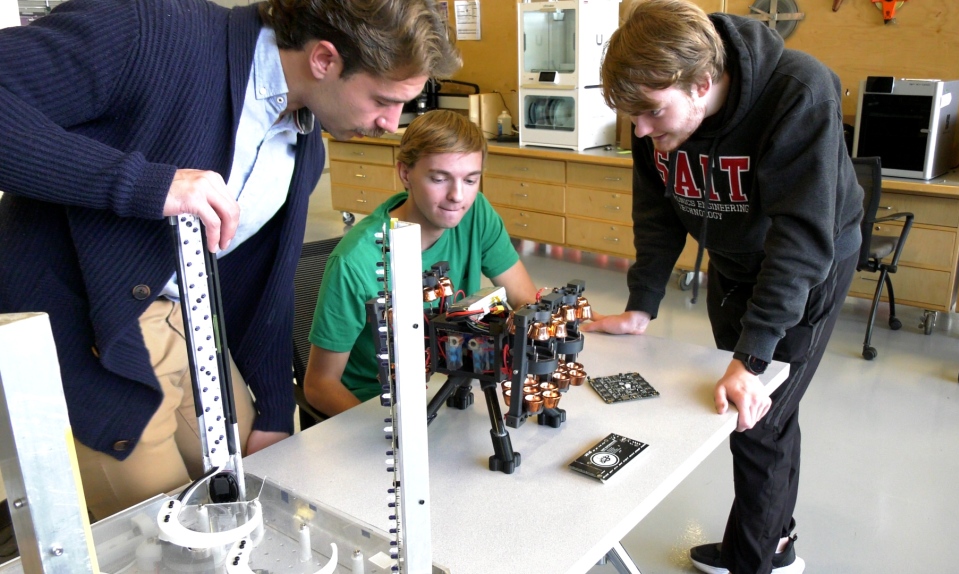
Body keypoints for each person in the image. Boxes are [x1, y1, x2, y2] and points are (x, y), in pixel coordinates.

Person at [0, 0, 459, 519]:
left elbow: (263, 280)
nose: (390, 122)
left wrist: (272, 402)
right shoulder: (148, 31)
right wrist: (149, 185)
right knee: (166, 528)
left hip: (190, 320)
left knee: (262, 492)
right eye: (382, 99)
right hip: (84, 325)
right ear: (325, 60)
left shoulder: (304, 138)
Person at [586, 1, 863, 573]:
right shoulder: (654, 110)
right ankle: (775, 535)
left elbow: (801, 241)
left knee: (754, 418)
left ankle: (756, 559)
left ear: (702, 83)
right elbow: (658, 211)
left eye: (652, 113)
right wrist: (642, 305)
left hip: (808, 265)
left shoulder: (797, 93)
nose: (640, 130)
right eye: (629, 114)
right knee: (764, 413)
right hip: (731, 259)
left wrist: (753, 355)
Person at [304, 110, 538, 416]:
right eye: (439, 179)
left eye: (471, 179)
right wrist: (395, 440)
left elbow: (525, 301)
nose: (458, 196)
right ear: (405, 173)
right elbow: (319, 384)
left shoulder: (476, 212)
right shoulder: (355, 261)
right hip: (377, 406)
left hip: (452, 387)